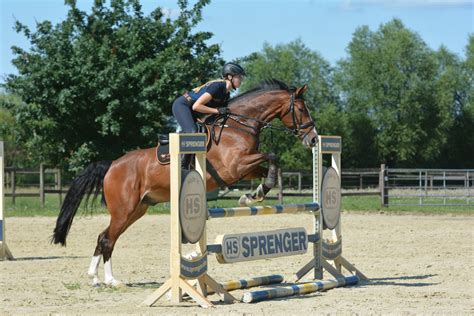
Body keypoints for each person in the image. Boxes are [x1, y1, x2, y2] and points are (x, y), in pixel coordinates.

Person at [172, 62, 246, 169]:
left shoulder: (226, 94)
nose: (241, 80)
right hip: (183, 105)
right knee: (192, 131)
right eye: (239, 77)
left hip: (194, 111)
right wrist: (217, 111)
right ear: (230, 77)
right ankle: (182, 166)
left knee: (205, 130)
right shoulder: (218, 86)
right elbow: (197, 106)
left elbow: (219, 113)